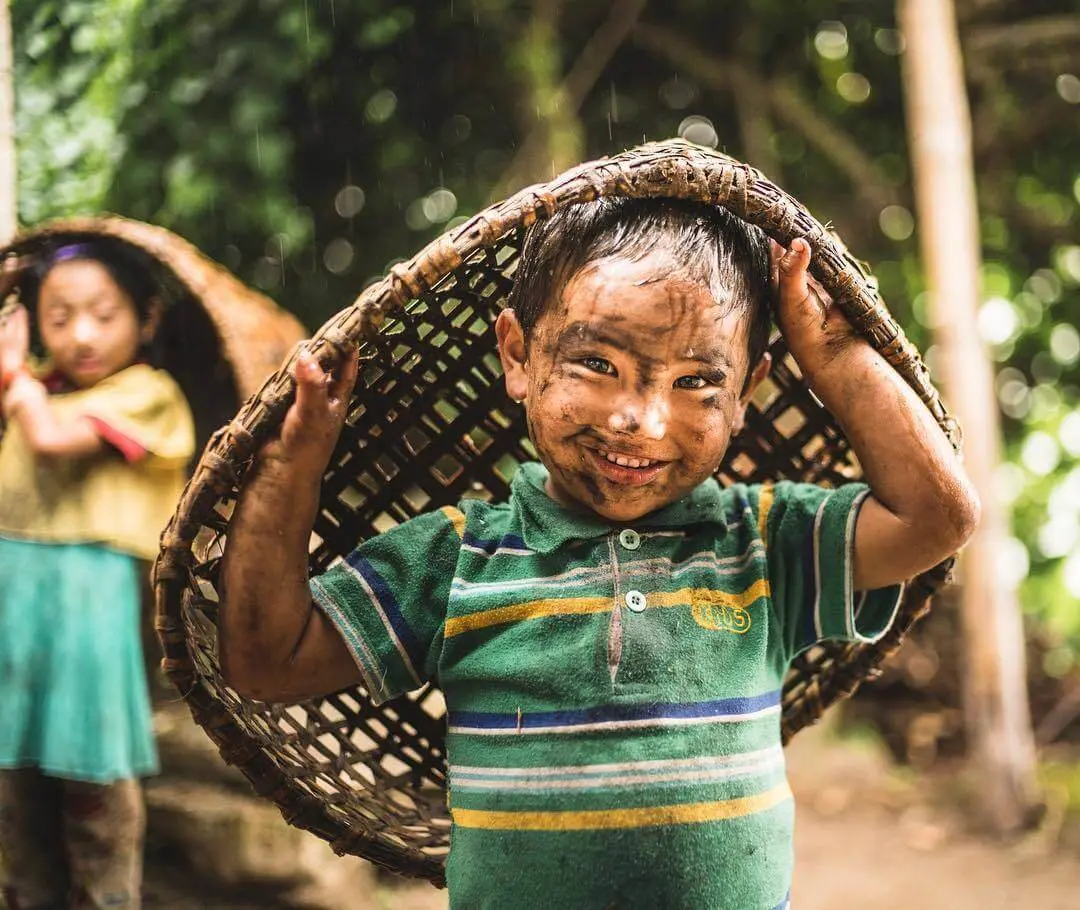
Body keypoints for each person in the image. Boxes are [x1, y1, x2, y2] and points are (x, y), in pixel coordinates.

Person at [218, 198, 979, 908]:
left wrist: (837, 354)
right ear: (517, 355)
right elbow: (268, 659)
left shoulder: (764, 545)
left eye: (695, 381)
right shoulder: (458, 561)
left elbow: (937, 518)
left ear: (747, 392)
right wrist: (293, 464)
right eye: (596, 365)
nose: (639, 421)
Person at [0, 241, 195, 910]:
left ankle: (108, 898)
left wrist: (19, 384)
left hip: (89, 619)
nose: (80, 335)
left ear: (146, 318)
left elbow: (53, 446)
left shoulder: (148, 394)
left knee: (92, 777)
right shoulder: (32, 392)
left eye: (102, 314)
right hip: (14, 613)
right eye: (58, 318)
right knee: (15, 785)